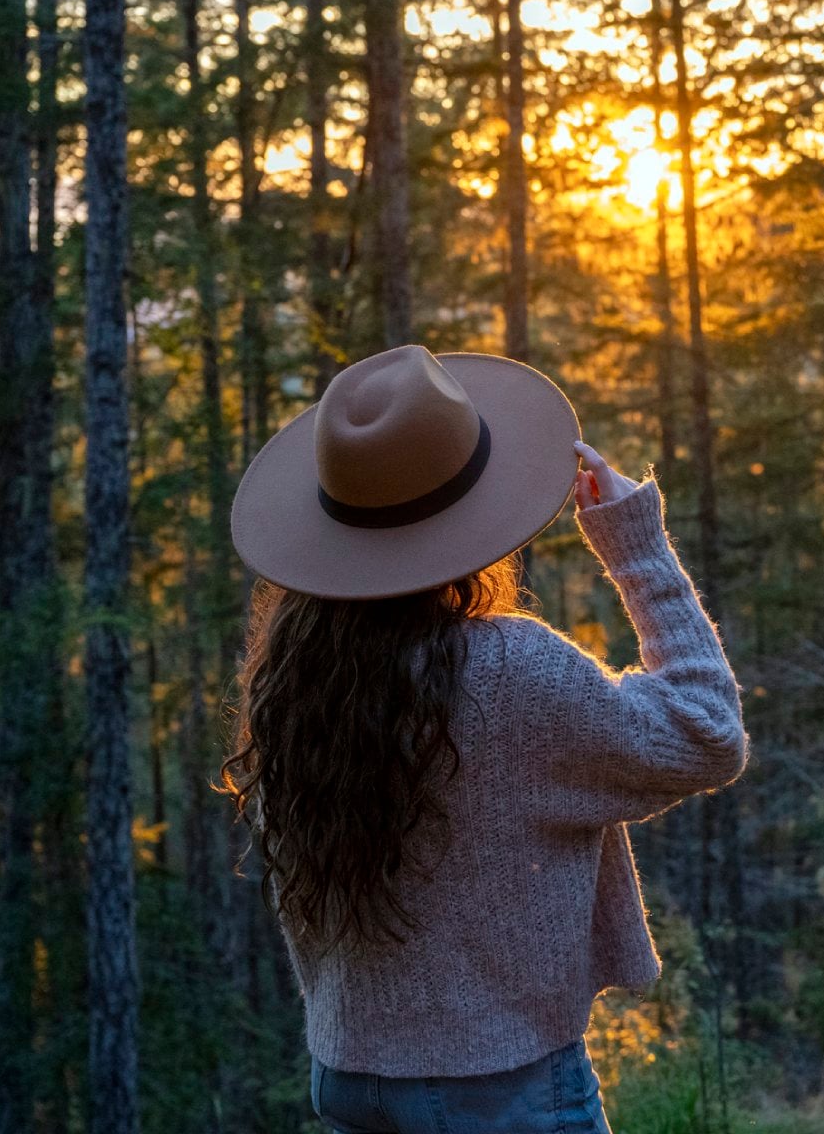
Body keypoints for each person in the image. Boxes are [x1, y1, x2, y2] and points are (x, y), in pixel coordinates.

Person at [221, 344, 747, 1134]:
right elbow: (708, 732)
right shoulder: (505, 668)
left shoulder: (292, 686)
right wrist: (636, 547)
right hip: (494, 1090)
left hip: (349, 1080)